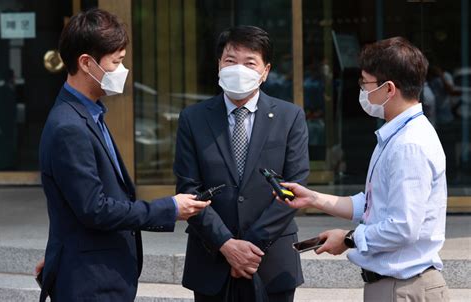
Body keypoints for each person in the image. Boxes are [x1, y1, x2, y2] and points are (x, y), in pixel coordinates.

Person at [35, 9, 209, 302]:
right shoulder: (69, 126)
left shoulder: (88, 114)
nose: (122, 70)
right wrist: (168, 208)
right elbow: (94, 208)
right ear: (87, 63)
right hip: (90, 281)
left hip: (98, 273)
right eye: (116, 62)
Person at [279, 37, 450, 302]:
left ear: (389, 88)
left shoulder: (409, 144)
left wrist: (349, 239)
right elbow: (372, 203)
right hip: (393, 285)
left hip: (402, 287)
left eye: (365, 83)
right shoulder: (397, 135)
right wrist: (313, 198)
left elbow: (403, 227)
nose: (361, 90)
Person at [174, 26, 309, 302]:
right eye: (230, 61)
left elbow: (293, 188)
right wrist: (225, 244)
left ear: (265, 71)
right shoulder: (193, 118)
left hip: (271, 262)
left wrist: (249, 248)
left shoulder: (290, 117)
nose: (239, 69)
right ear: (219, 65)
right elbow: (190, 188)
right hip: (211, 258)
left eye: (249, 63)